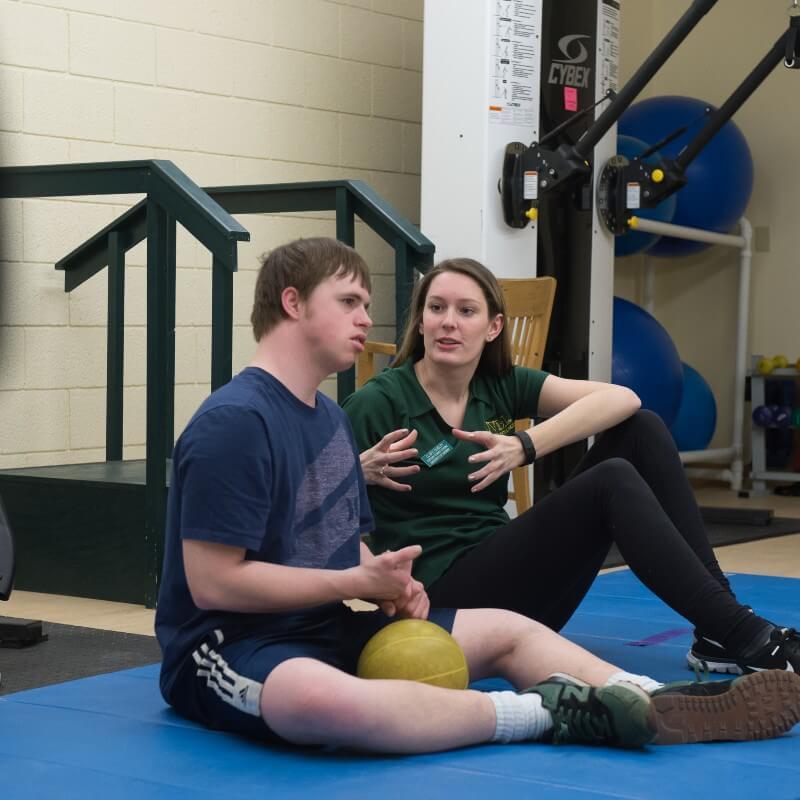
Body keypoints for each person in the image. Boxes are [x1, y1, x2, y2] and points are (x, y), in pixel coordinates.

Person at [155, 237, 799, 752]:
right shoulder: (244, 419)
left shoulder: (322, 416)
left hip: (330, 624)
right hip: (234, 646)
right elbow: (214, 586)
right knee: (319, 702)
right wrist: (365, 570)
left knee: (516, 633)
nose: (367, 318)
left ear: (492, 327)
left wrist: (387, 580)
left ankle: (645, 697)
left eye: (465, 311)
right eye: (351, 300)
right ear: (294, 304)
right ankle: (544, 712)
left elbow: (333, 538)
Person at [343, 257, 800, 676]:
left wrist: (524, 444)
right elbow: (309, 507)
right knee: (611, 481)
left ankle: (721, 627)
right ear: (420, 321)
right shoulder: (377, 403)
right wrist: (353, 474)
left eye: (466, 311)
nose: (448, 322)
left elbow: (623, 398)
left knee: (641, 429)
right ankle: (741, 633)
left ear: (493, 326)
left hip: (517, 586)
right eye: (436, 308)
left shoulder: (500, 384)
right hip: (444, 602)